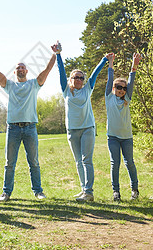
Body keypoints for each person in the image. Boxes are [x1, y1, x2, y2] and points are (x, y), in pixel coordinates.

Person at [0, 45, 57, 202]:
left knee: (34, 162)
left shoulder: (34, 84)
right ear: (14, 72)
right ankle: (6, 193)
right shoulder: (10, 85)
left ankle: (38, 191)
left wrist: (55, 54)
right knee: (9, 163)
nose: (20, 69)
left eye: (23, 67)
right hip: (13, 128)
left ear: (26, 71)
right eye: (17, 68)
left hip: (30, 128)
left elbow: (47, 70)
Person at [55, 40, 109, 202]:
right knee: (78, 161)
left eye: (80, 77)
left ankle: (89, 191)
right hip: (72, 130)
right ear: (71, 79)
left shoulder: (88, 89)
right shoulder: (66, 90)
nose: (78, 79)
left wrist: (104, 60)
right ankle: (83, 189)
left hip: (87, 129)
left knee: (86, 160)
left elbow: (95, 73)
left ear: (83, 80)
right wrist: (58, 54)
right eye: (75, 77)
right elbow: (60, 71)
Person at [105, 52, 142, 201]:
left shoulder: (127, 99)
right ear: (113, 88)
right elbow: (109, 78)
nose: (121, 89)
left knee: (130, 163)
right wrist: (111, 63)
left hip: (127, 138)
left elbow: (132, 81)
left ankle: (134, 190)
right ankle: (116, 192)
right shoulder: (109, 97)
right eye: (118, 87)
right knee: (115, 163)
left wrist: (134, 66)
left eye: (124, 88)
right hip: (113, 137)